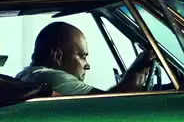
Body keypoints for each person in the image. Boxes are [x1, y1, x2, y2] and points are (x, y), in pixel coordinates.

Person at [16, 21, 155, 96]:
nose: (87, 65)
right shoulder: (54, 78)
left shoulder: (25, 75)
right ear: (57, 56)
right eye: (82, 57)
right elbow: (113, 103)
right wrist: (138, 71)